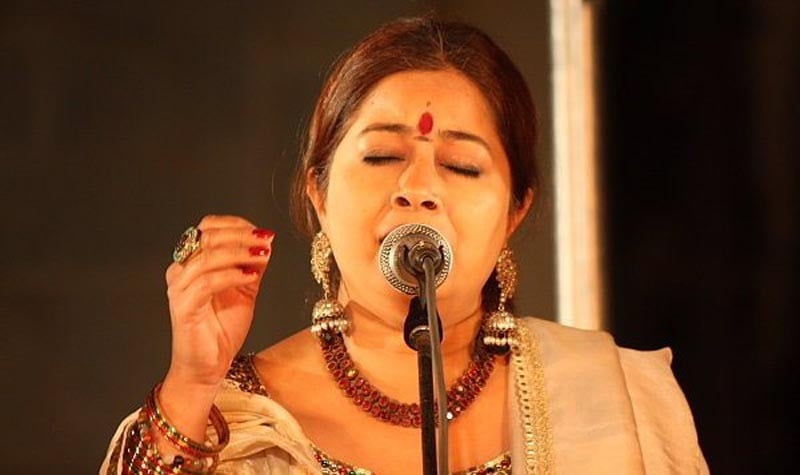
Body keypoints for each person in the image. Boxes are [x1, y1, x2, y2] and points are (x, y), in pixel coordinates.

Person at [101, 17, 708, 475]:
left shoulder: (615, 399)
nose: (418, 189)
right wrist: (191, 386)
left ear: (514, 212)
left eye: (462, 166)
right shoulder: (233, 417)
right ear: (318, 192)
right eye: (382, 156)